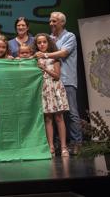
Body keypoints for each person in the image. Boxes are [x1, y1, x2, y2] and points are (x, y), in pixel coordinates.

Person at [36, 11, 82, 154]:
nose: (51, 24)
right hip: (48, 84)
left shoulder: (70, 36)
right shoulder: (48, 38)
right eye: (50, 21)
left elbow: (63, 53)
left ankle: (76, 143)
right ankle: (56, 143)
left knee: (71, 113)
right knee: (51, 114)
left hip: (66, 79)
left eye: (54, 21)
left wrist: (44, 54)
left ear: (62, 22)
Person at [35, 33, 70, 157]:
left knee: (59, 118)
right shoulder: (36, 59)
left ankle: (64, 147)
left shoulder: (54, 58)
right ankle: (51, 147)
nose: (42, 44)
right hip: (44, 89)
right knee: (48, 119)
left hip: (55, 88)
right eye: (39, 43)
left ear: (48, 43)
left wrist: (44, 68)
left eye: (44, 42)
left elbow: (57, 75)